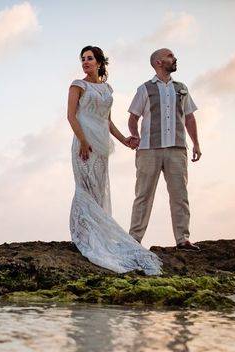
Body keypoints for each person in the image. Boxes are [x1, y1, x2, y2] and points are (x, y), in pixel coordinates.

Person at [67, 45, 162, 275]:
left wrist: (125, 141)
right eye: (83, 59)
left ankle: (99, 235)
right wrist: (82, 141)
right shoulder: (77, 85)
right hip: (83, 145)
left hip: (100, 146)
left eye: (90, 58)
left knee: (98, 192)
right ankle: (85, 236)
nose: (85, 62)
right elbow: (71, 116)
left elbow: (107, 122)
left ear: (100, 63)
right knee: (85, 189)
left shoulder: (108, 88)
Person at [127, 48, 201, 251]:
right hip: (149, 149)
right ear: (158, 62)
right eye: (170, 56)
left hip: (177, 149)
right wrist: (135, 135)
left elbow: (189, 117)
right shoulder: (144, 89)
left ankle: (182, 239)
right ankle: (134, 239)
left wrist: (196, 143)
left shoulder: (182, 88)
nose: (175, 59)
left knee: (180, 195)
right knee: (143, 195)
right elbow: (133, 117)